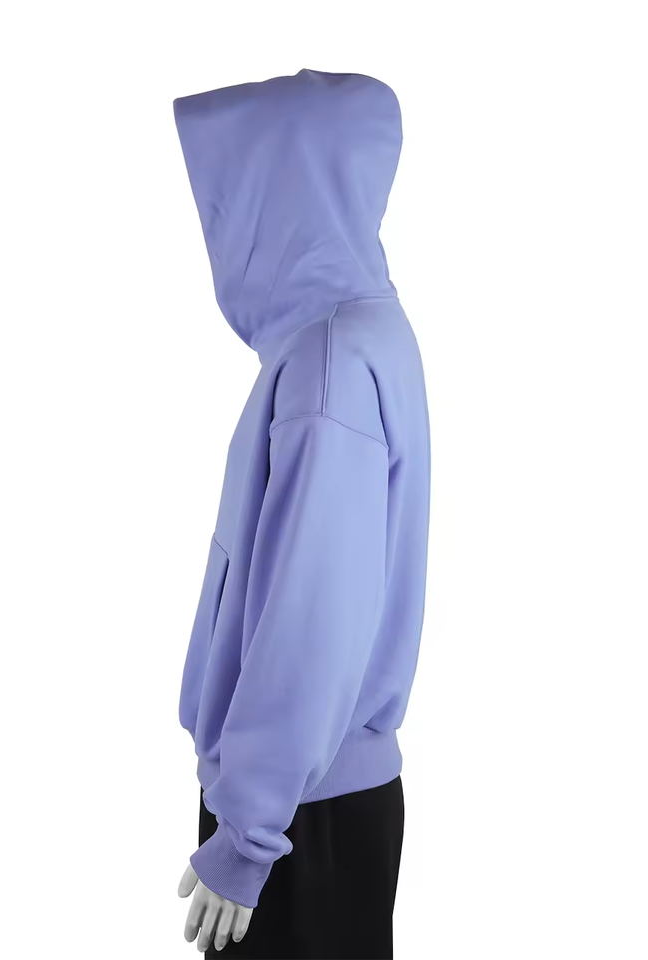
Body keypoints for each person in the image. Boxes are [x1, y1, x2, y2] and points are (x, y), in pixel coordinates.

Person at [172, 67, 431, 959]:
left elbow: (311, 617)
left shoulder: (328, 364)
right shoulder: (364, 331)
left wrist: (247, 834)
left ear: (285, 196)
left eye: (239, 197)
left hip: (293, 815)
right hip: (315, 798)